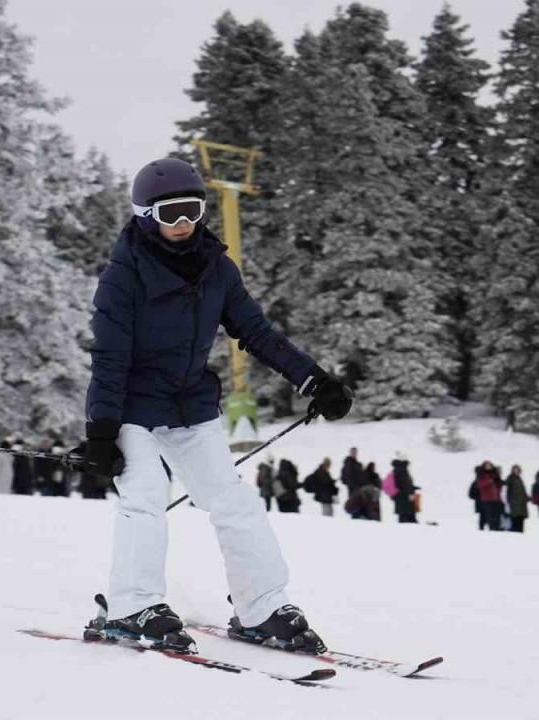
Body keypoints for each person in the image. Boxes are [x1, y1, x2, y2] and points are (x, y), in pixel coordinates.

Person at [77, 158, 353, 655]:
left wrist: (314, 379)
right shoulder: (122, 278)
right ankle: (131, 607)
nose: (183, 222)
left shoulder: (216, 268)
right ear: (145, 215)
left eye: (192, 209)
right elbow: (109, 358)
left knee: (233, 501)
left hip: (190, 402)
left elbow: (257, 332)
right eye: (170, 212)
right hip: (134, 404)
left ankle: (261, 608)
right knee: (145, 493)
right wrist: (101, 432)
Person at [471, 461, 503, 531]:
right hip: (487, 499)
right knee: (489, 516)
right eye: (487, 465)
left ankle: (497, 528)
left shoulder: (495, 475)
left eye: (490, 465)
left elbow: (499, 487)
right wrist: (489, 481)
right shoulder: (481, 475)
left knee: (497, 515)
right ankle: (491, 529)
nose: (488, 467)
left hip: (496, 498)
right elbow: (480, 485)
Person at [391, 453, 418, 524]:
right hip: (403, 498)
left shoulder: (402, 471)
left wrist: (413, 488)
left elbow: (405, 484)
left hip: (406, 497)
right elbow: (401, 484)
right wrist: (408, 490)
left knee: (406, 516)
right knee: (405, 518)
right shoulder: (400, 471)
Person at [506, 465, 529, 533]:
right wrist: (509, 501)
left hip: (521, 505)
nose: (517, 471)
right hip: (514, 505)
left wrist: (527, 498)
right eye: (515, 469)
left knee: (520, 522)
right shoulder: (510, 479)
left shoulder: (519, 479)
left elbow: (522, 492)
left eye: (518, 470)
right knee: (514, 522)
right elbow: (506, 491)